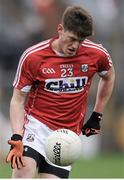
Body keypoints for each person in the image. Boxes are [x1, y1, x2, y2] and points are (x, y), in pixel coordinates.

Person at [6, 6, 115, 178]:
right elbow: (18, 99)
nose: (75, 46)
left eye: (81, 40)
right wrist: (17, 136)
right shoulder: (34, 56)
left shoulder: (97, 54)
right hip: (35, 127)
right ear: (60, 30)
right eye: (71, 38)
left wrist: (97, 115)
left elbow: (109, 76)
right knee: (23, 172)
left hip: (66, 136)